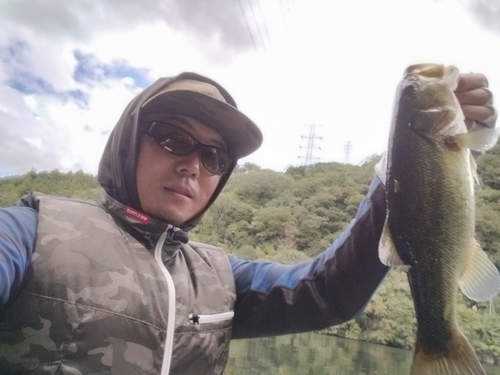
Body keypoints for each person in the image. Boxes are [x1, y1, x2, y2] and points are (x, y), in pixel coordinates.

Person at [0, 70, 496, 375]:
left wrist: (414, 159)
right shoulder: (29, 233)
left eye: (215, 156)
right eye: (173, 138)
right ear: (129, 142)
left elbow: (327, 291)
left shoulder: (221, 278)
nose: (194, 165)